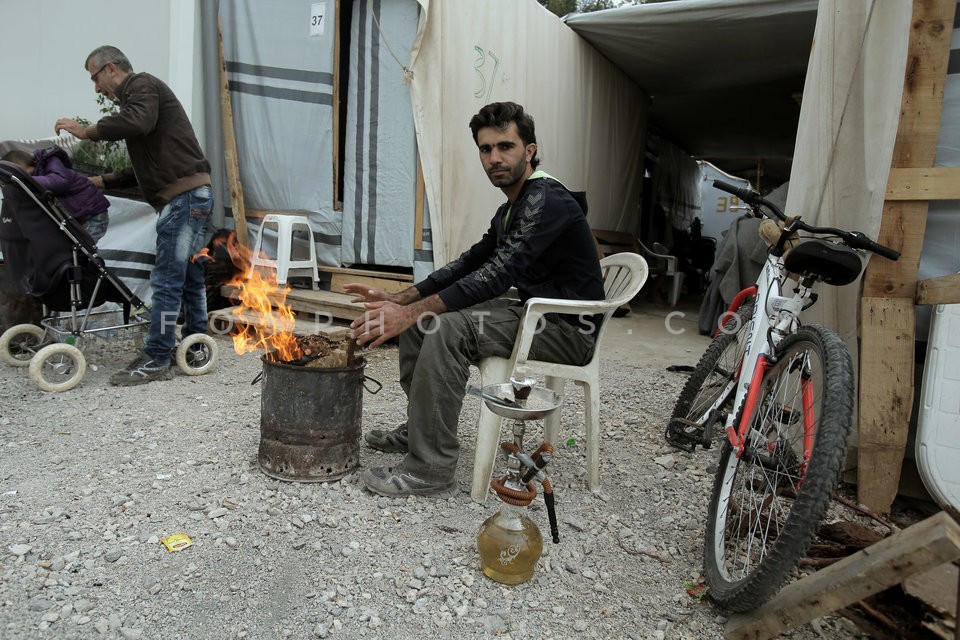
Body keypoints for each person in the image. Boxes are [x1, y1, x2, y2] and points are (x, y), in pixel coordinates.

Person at [345, 101, 604, 498]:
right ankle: (422, 431)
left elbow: (498, 275)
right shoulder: (511, 208)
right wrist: (402, 301)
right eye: (485, 149)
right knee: (424, 320)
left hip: (569, 328)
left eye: (506, 146)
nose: (494, 158)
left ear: (529, 151)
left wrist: (411, 310)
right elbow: (469, 264)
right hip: (537, 316)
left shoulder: (547, 200)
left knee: (447, 325)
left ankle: (430, 469)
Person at [54, 45, 214, 386]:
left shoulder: (141, 86)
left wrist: (88, 131)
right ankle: (197, 345)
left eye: (95, 78)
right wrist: (100, 181)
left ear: (111, 69)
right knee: (188, 274)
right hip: (193, 194)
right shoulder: (141, 102)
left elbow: (137, 123)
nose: (96, 88)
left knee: (167, 277)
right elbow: (144, 166)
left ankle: (157, 357)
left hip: (184, 199)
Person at [2, 147, 110, 243]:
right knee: (70, 247)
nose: (28, 178)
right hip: (77, 216)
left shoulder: (51, 162)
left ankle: (92, 264)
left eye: (27, 174)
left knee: (85, 247)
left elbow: (60, 182)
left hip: (94, 214)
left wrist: (27, 180)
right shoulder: (39, 174)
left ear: (33, 163)